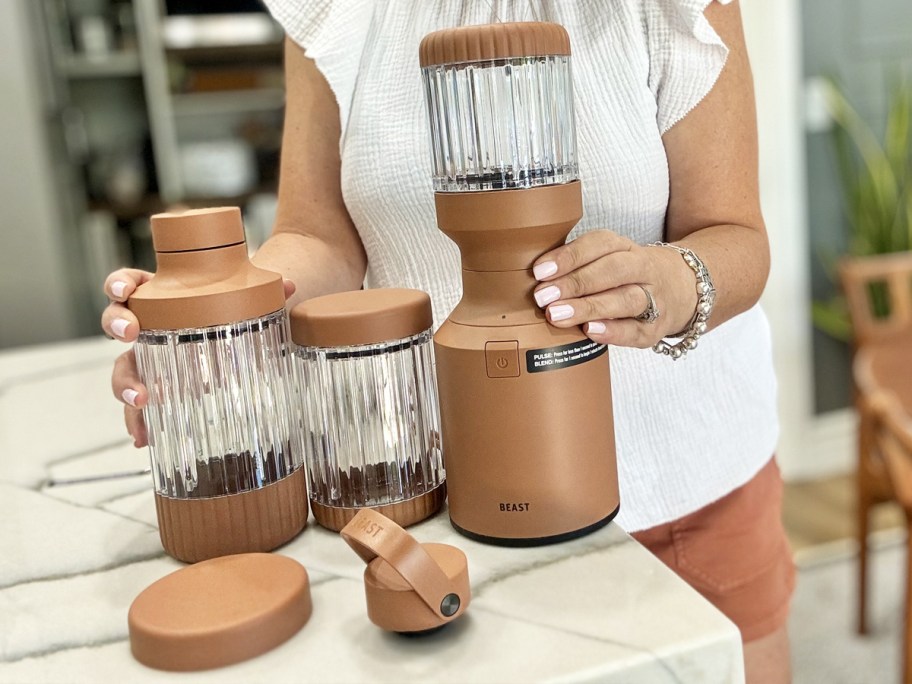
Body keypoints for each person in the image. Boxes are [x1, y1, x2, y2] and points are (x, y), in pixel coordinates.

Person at [101, 1, 793, 681]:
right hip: (445, 502)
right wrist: (221, 319)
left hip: (687, 494)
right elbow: (318, 238)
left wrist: (668, 283)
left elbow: (736, 236)